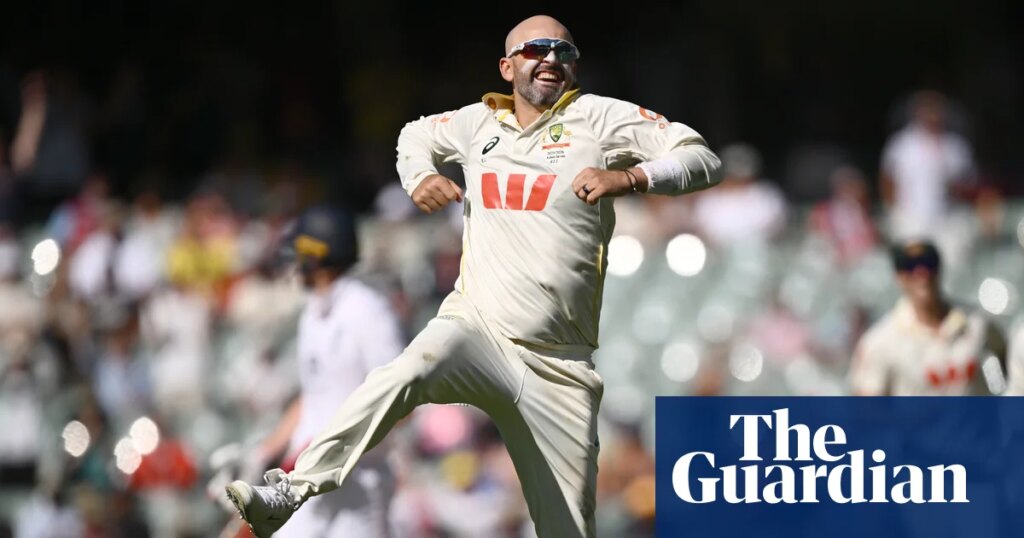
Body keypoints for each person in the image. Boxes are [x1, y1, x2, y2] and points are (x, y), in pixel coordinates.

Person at [226, 14, 722, 538]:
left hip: (558, 362)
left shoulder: (600, 119)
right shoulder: (476, 124)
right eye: (536, 49)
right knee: (408, 370)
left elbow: (702, 158)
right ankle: (293, 489)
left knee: (569, 529)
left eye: (564, 51)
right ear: (507, 67)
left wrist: (633, 176)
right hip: (478, 327)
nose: (551, 59)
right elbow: (414, 135)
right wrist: (419, 176)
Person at [235, 205, 404, 537]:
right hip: (306, 482)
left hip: (358, 484)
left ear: (318, 255)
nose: (295, 264)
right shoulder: (311, 313)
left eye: (300, 254)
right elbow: (314, 395)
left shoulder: (368, 311)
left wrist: (338, 443)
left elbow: (401, 401)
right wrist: (264, 451)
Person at [849, 241, 1007, 395]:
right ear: (899, 276)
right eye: (910, 266)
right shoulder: (881, 342)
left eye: (929, 263)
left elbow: (1007, 363)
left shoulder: (977, 323)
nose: (922, 274)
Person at [879, 91, 975, 242]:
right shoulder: (901, 145)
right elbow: (887, 180)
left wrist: (954, 188)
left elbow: (969, 184)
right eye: (927, 110)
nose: (932, 115)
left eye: (935, 110)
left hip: (948, 220)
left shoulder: (956, 146)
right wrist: (896, 212)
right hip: (911, 220)